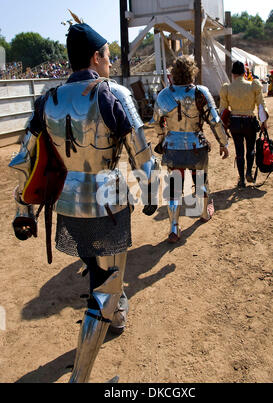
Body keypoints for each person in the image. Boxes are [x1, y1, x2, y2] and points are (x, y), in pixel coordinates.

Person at [9, 22, 158, 383]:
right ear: (95, 56)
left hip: (66, 202)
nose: (110, 64)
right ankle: (80, 378)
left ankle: (116, 318)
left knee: (103, 272)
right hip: (107, 202)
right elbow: (142, 154)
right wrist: (153, 193)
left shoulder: (49, 97)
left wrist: (22, 211)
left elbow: (22, 159)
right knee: (105, 291)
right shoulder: (115, 94)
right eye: (108, 57)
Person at [152, 56, 229, 243]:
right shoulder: (201, 92)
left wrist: (162, 138)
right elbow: (214, 120)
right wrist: (223, 142)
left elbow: (157, 123)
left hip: (172, 147)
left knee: (174, 189)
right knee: (201, 182)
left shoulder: (163, 95)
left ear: (174, 73)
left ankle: (174, 228)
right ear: (192, 71)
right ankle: (204, 213)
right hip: (197, 145)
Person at [219, 60, 269, 188]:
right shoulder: (253, 85)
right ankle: (249, 173)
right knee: (250, 149)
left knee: (239, 151)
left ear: (233, 74)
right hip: (249, 122)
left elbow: (223, 110)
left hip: (234, 123)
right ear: (244, 73)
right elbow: (261, 105)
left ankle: (241, 179)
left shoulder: (227, 88)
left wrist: (223, 127)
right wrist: (264, 122)